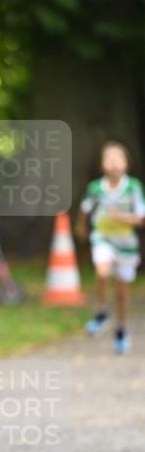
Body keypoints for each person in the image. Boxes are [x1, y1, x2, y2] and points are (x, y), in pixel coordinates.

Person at [77, 141, 145, 354]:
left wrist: (121, 218)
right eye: (110, 159)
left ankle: (121, 330)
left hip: (126, 245)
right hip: (103, 238)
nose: (114, 163)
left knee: (122, 293)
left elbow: (141, 218)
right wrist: (80, 226)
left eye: (119, 159)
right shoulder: (96, 188)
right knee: (102, 271)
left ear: (127, 164)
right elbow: (84, 209)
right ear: (102, 165)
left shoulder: (133, 187)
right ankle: (102, 311)